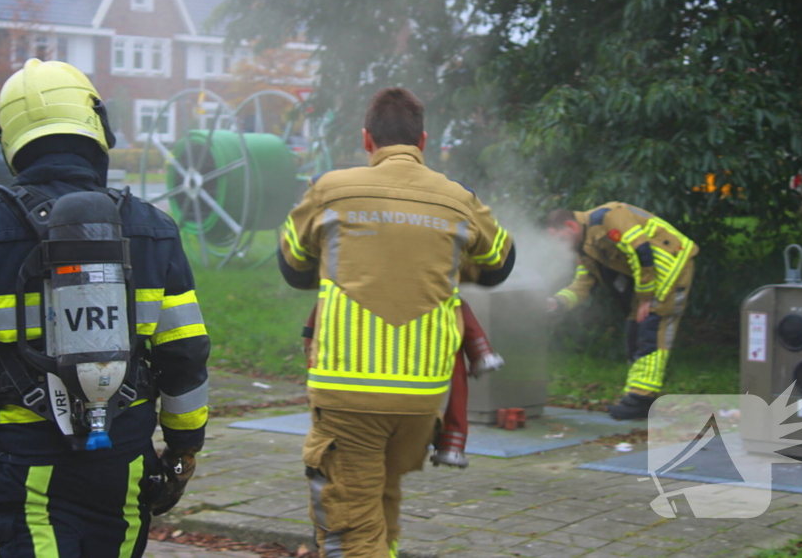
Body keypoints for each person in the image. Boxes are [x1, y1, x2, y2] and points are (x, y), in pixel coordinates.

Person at [0, 59, 210, 558]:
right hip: (125, 461)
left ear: (11, 141)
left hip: (30, 459)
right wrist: (183, 450)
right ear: (98, 129)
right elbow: (186, 355)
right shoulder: (154, 228)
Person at [279, 86, 515, 558]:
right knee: (381, 499)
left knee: (348, 527)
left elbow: (292, 265)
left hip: (348, 392)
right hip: (422, 396)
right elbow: (499, 265)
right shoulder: (457, 199)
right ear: (422, 141)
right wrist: (449, 267)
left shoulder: (330, 190)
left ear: (368, 140)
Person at [300, 297, 503, 470]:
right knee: (383, 485)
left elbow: (299, 272)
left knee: (353, 492)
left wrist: (312, 350)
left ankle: (451, 443)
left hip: (349, 404)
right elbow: (491, 268)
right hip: (413, 408)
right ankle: (452, 443)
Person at [543, 203, 697, 420]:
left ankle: (640, 400)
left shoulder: (606, 218)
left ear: (571, 226)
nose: (562, 247)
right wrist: (557, 302)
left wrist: (645, 297)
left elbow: (640, 250)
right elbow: (583, 284)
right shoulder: (585, 248)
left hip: (670, 267)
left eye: (560, 239)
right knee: (634, 331)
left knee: (652, 331)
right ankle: (639, 398)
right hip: (650, 278)